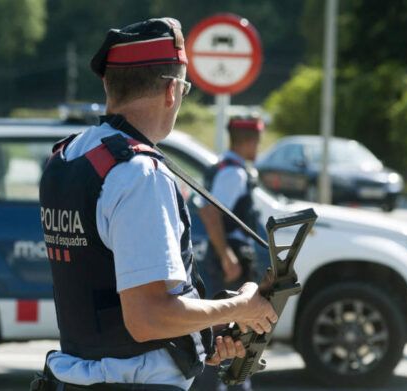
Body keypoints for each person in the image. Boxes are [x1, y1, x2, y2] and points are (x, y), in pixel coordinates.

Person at [35, 18, 277, 391]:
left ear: (106, 83)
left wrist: (198, 339)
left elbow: (108, 299)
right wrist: (243, 307)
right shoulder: (139, 174)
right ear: (171, 90)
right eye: (185, 89)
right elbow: (147, 319)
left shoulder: (70, 157)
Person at [192, 116, 265, 391]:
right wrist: (226, 256)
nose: (258, 147)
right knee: (228, 331)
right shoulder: (233, 172)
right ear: (248, 141)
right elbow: (210, 211)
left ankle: (230, 385)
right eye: (257, 141)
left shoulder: (225, 166)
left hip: (229, 255)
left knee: (229, 329)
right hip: (231, 257)